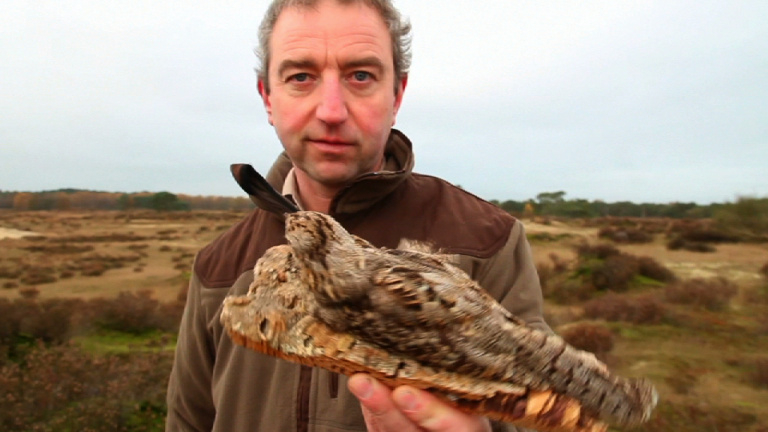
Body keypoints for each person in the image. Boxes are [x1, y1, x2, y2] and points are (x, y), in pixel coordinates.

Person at [165, 0, 549, 431]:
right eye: (301, 77)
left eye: (361, 76)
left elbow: (547, 409)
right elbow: (188, 421)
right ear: (267, 98)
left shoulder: (488, 243)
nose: (332, 110)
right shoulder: (217, 266)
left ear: (397, 95)